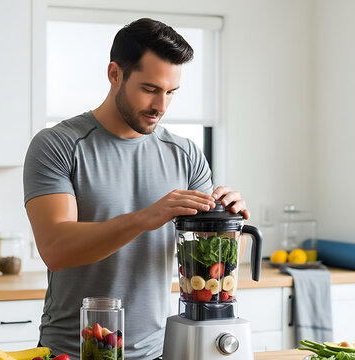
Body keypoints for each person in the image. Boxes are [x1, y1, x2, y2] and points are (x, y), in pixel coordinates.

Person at [23, 18, 250, 359]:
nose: (161, 105)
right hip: (72, 351)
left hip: (157, 351)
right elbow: (56, 249)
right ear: (115, 74)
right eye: (149, 89)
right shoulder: (58, 145)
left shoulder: (186, 155)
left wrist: (228, 224)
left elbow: (211, 272)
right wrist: (147, 217)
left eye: (171, 92)